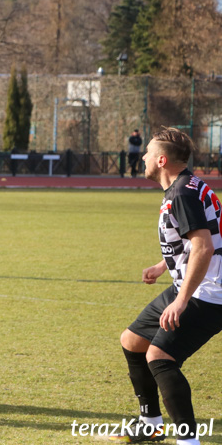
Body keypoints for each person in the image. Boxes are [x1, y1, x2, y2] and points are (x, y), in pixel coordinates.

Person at [113, 127, 222, 444]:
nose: (143, 157)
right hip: (193, 283)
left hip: (208, 292)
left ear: (161, 160)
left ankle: (189, 440)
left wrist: (181, 300)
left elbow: (203, 247)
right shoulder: (189, 185)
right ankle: (150, 422)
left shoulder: (182, 194)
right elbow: (207, 234)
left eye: (147, 152)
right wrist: (165, 264)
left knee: (160, 357)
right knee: (133, 340)